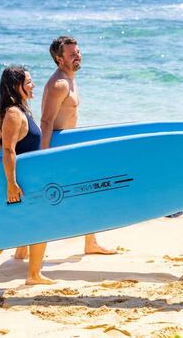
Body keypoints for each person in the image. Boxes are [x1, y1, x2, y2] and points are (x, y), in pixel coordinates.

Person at [14, 36, 116, 260]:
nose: (77, 56)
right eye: (72, 54)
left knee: (77, 192)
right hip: (57, 148)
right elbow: (46, 121)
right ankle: (24, 248)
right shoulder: (59, 84)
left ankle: (23, 249)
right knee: (76, 192)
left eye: (78, 52)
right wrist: (45, 154)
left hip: (67, 146)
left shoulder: (70, 78)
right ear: (59, 59)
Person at [0, 66, 54, 286]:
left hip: (28, 181)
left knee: (37, 224)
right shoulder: (14, 114)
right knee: (8, 230)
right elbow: (8, 149)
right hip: (20, 182)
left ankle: (33, 274)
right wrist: (11, 183)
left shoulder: (19, 111)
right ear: (16, 86)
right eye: (28, 81)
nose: (32, 84)